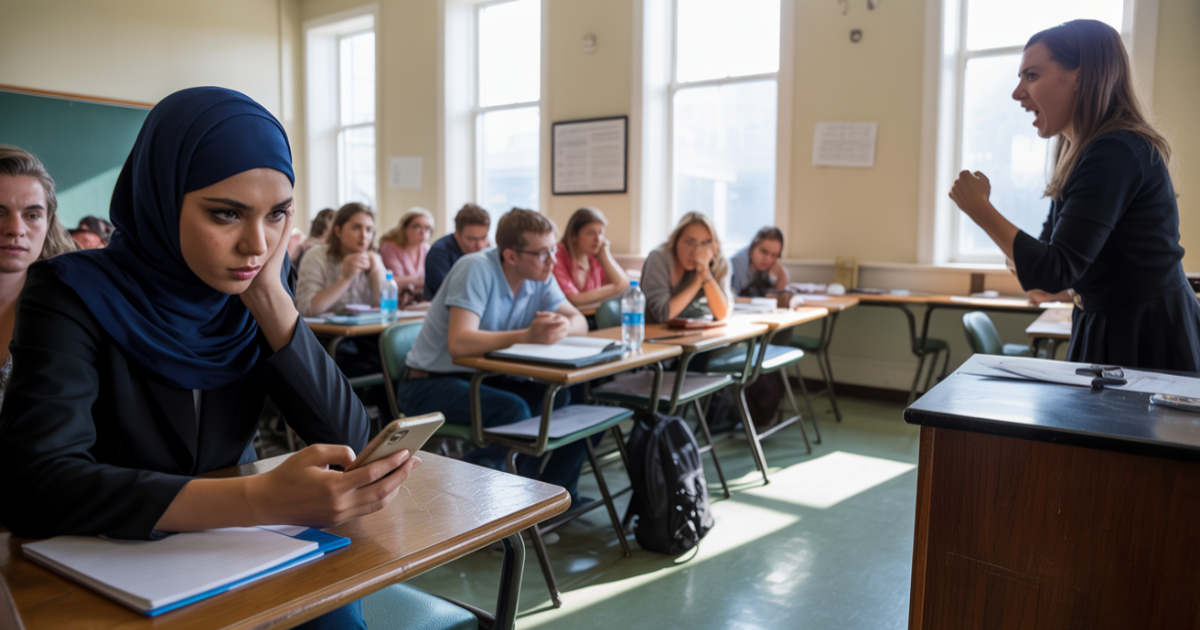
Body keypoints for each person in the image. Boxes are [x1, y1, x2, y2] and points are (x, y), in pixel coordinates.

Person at [0, 88, 418, 630]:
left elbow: (352, 443)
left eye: (277, 216)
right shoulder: (69, 291)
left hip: (251, 553)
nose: (256, 244)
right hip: (116, 564)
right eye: (226, 214)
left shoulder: (258, 287)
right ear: (162, 196)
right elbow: (36, 483)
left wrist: (270, 299)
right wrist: (257, 500)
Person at [948, 20, 1200, 371]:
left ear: (1080, 77)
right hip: (1105, 323)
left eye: (1031, 75)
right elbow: (1045, 271)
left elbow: (1051, 271)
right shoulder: (1078, 152)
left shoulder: (1115, 150)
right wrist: (1032, 265)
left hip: (1145, 336)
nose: (1017, 92)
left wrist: (979, 208)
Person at [397, 208, 590, 498]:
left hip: (483, 378)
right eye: (542, 253)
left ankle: (547, 498)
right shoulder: (475, 268)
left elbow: (581, 322)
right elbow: (459, 343)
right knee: (515, 411)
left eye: (553, 249)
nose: (552, 260)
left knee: (561, 399)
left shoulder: (541, 274)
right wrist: (528, 335)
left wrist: (562, 326)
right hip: (428, 384)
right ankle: (478, 495)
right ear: (511, 256)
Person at [0, 145, 77, 409]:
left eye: (32, 215)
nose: (15, 229)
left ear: (48, 223)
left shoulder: (73, 312)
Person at [295, 202, 385, 317]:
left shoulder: (374, 260)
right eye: (356, 227)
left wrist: (376, 273)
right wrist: (345, 279)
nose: (364, 236)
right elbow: (306, 309)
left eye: (369, 230)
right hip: (327, 333)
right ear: (338, 231)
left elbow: (387, 311)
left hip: (368, 331)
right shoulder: (316, 256)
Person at [640, 211, 731, 323]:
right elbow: (663, 315)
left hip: (698, 336)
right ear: (676, 239)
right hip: (655, 336)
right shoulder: (659, 258)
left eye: (703, 244)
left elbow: (722, 314)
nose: (695, 252)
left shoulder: (719, 263)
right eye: (689, 242)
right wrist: (698, 281)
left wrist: (706, 274)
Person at [552, 207, 630, 307]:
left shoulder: (595, 257)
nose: (597, 239)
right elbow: (572, 298)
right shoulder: (557, 254)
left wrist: (605, 256)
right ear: (574, 235)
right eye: (590, 233)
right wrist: (616, 288)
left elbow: (625, 284)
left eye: (600, 233)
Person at [423, 203, 490, 300]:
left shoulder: (488, 250)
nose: (479, 245)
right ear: (457, 234)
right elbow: (452, 293)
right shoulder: (438, 253)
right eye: (472, 239)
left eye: (483, 238)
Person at [379, 206, 434, 296]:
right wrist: (417, 280)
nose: (423, 232)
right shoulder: (390, 247)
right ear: (405, 228)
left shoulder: (426, 249)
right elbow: (391, 281)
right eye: (418, 227)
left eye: (427, 228)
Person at [730, 226, 790, 297]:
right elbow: (732, 299)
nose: (768, 259)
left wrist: (781, 274)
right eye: (764, 252)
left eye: (774, 255)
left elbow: (778, 295)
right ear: (752, 247)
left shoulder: (768, 268)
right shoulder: (736, 264)